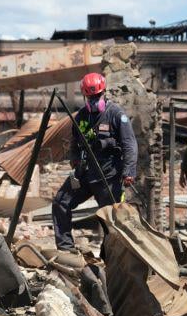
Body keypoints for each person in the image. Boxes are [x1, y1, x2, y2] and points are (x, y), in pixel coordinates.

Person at [52, 72, 138, 252]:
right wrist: (74, 161)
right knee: (60, 202)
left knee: (109, 221)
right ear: (84, 96)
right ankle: (66, 249)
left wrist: (129, 171)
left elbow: (130, 144)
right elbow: (75, 143)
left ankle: (111, 259)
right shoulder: (81, 117)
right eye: (90, 97)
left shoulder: (116, 114)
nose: (93, 100)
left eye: (97, 96)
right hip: (85, 174)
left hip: (108, 177)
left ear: (104, 93)